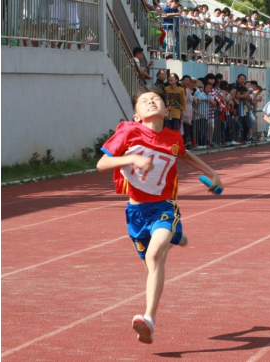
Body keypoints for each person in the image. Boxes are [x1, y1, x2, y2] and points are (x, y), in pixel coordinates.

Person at [96, 86, 223, 345]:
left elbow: (184, 154)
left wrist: (212, 173)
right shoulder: (128, 131)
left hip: (164, 207)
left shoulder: (172, 137)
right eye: (145, 101)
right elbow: (102, 164)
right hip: (136, 212)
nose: (152, 102)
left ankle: (149, 319)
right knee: (152, 265)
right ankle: (177, 237)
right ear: (136, 115)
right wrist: (130, 161)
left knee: (155, 255)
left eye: (157, 100)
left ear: (167, 110)